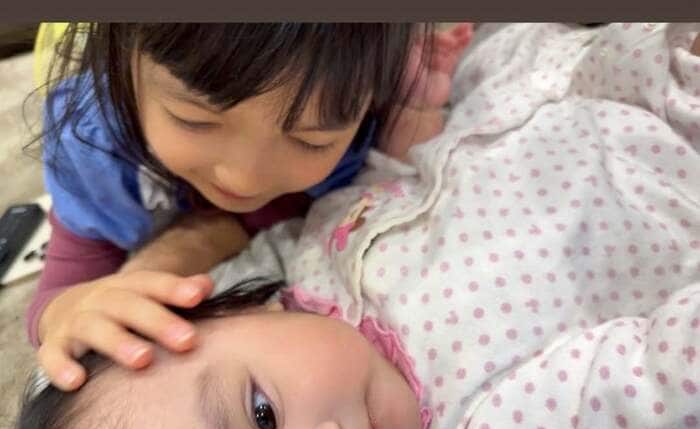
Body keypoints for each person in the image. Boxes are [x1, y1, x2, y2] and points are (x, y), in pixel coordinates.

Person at [4, 21, 700, 429]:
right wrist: (69, 307)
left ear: (236, 309)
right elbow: (658, 398)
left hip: (609, 87)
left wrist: (423, 99)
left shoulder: (306, 261)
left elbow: (405, 170)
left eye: (264, 415)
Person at [27, 23, 473, 391]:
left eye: (310, 141)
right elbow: (61, 290)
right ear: (122, 59)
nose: (244, 179)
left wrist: (414, 109)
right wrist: (68, 312)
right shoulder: (92, 143)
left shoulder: (357, 112)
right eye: (194, 120)